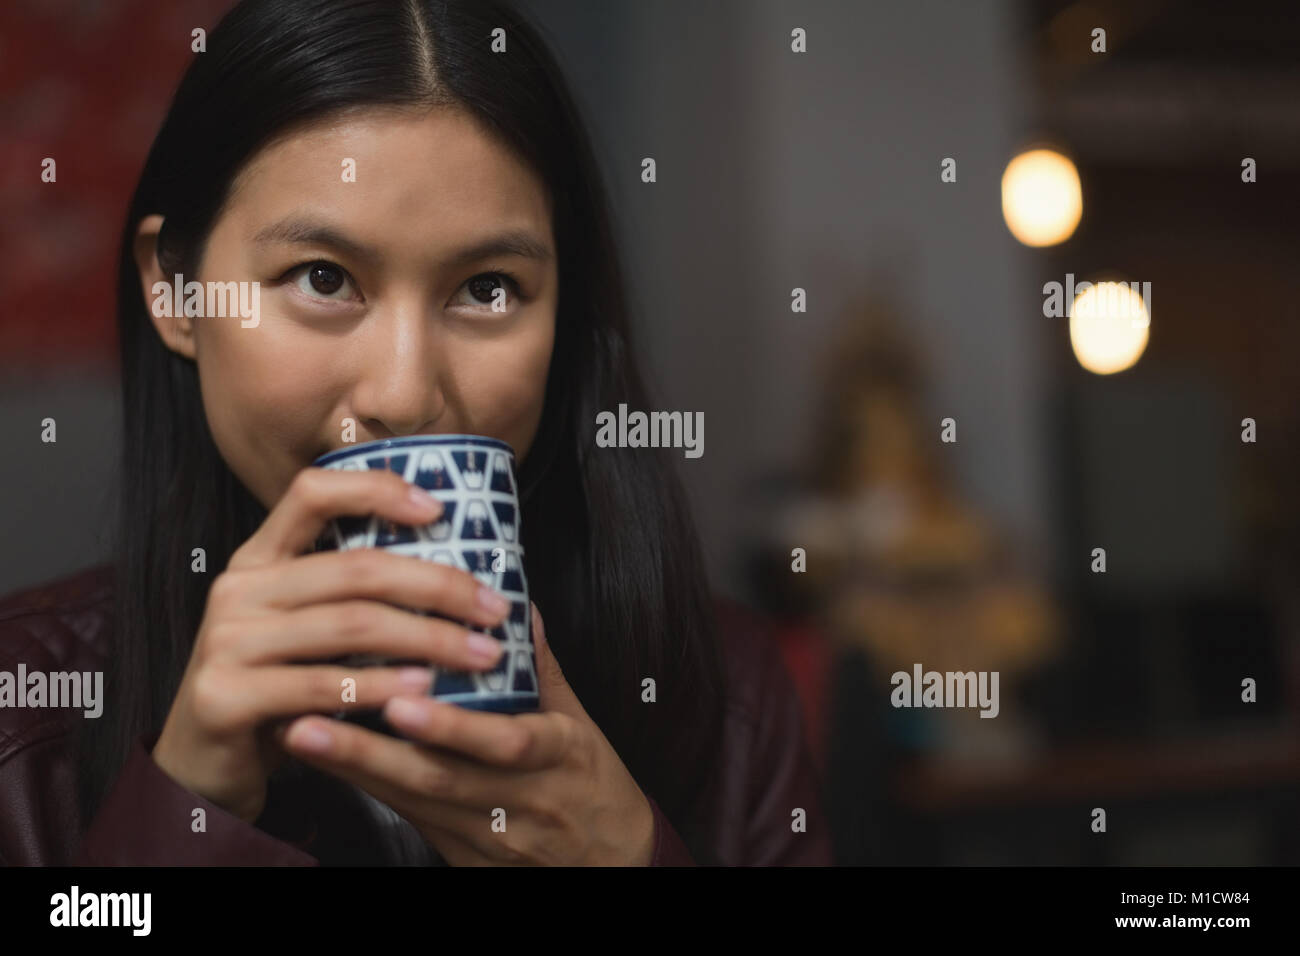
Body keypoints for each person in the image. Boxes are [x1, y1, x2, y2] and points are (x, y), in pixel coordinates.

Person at [0, 0, 830, 866]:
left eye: (487, 289)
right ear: (176, 294)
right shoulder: (24, 715)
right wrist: (187, 807)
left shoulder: (726, 693)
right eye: (323, 277)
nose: (403, 394)